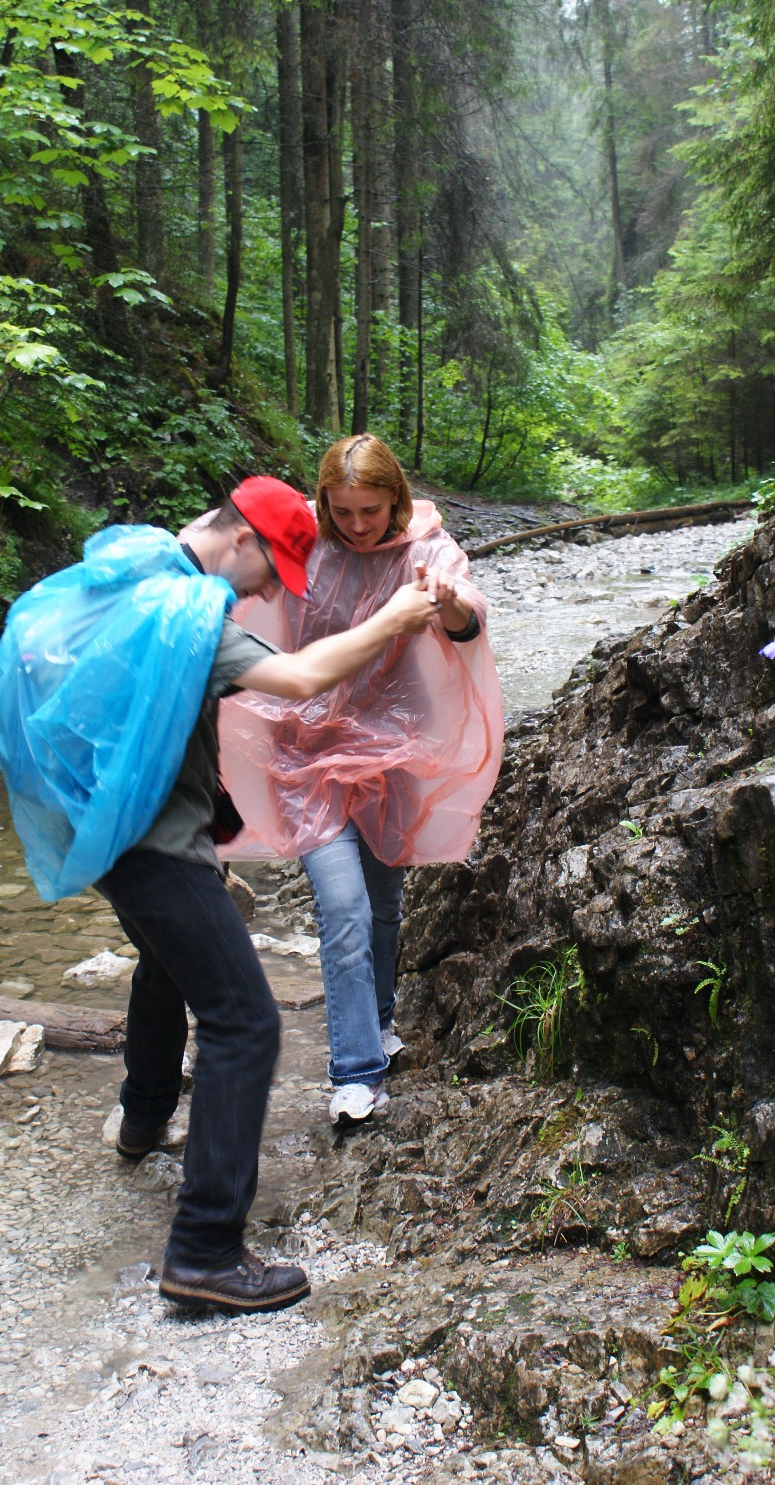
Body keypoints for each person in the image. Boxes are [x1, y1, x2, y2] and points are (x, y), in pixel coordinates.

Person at [0, 475, 440, 1317]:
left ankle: (141, 1119)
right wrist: (395, 618)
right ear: (241, 538)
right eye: (273, 568)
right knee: (246, 1021)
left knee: (168, 968)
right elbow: (303, 677)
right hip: (155, 849)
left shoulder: (131, 572)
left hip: (109, 836)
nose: (272, 589)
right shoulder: (188, 614)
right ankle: (205, 1248)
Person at [215, 439, 504, 1126]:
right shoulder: (306, 545)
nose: (357, 524)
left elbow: (470, 621)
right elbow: (243, 594)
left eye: (370, 510)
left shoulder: (425, 547)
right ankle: (356, 1071)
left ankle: (376, 1023)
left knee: (381, 905)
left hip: (394, 751)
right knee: (341, 906)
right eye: (342, 510)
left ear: (395, 499)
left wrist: (450, 604)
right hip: (307, 750)